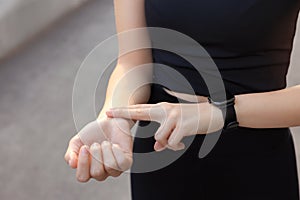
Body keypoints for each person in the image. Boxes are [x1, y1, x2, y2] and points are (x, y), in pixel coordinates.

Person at [65, 0, 300, 199]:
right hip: (161, 150)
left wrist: (221, 112)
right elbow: (133, 62)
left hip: (256, 157)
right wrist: (115, 115)